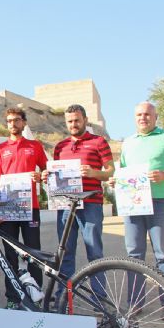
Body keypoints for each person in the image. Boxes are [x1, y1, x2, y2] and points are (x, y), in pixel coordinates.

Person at [113, 102, 164, 320]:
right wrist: (115, 182)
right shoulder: (128, 143)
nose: (142, 118)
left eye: (147, 114)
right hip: (133, 205)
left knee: (163, 255)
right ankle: (135, 304)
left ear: (156, 117)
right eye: (138, 114)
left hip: (159, 203)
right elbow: (125, 174)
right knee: (134, 255)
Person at [42, 104, 114, 300]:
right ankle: (64, 298)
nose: (73, 124)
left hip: (91, 204)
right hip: (65, 205)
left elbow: (110, 172)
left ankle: (99, 299)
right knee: (65, 253)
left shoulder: (99, 142)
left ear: (85, 120)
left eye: (77, 120)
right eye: (70, 121)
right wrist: (47, 176)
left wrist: (93, 173)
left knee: (95, 253)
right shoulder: (60, 147)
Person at [0, 108, 48, 309]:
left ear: (24, 123)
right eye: (9, 121)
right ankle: (13, 298)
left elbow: (46, 170)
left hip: (30, 208)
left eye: (16, 120)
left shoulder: (35, 146)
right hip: (7, 209)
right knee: (10, 255)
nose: (12, 124)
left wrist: (41, 176)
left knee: (33, 253)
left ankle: (36, 295)